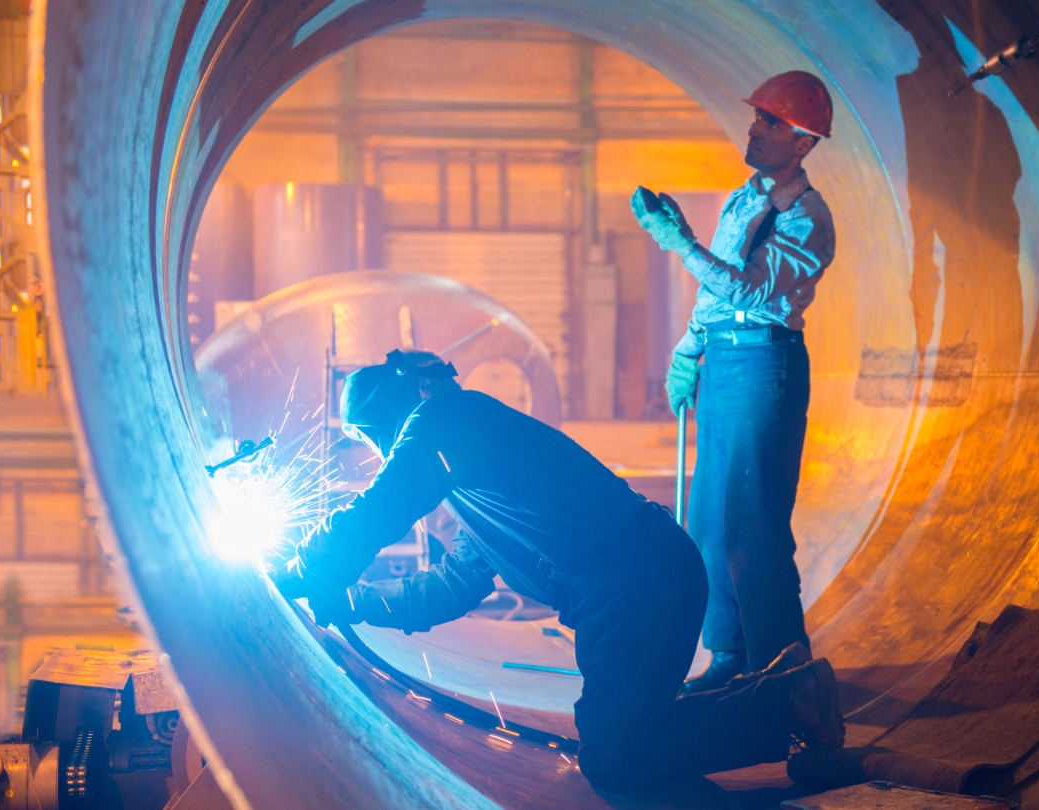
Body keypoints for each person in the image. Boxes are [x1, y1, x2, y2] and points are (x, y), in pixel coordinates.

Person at [270, 350, 844, 792]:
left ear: (399, 409)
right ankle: (779, 686)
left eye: (374, 436)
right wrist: (352, 602)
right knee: (629, 733)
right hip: (634, 590)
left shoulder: (447, 419)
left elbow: (377, 509)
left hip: (640, 586)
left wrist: (299, 568)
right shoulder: (477, 487)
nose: (379, 451)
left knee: (615, 758)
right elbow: (446, 589)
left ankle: (788, 703)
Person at [631, 71, 836, 693]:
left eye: (770, 122)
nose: (754, 128)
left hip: (762, 364)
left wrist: (679, 242)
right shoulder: (743, 199)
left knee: (754, 522)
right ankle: (729, 656)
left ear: (802, 142)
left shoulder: (808, 217)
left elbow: (749, 288)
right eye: (757, 118)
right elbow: (715, 292)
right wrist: (689, 350)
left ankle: (779, 668)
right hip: (721, 360)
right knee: (709, 524)